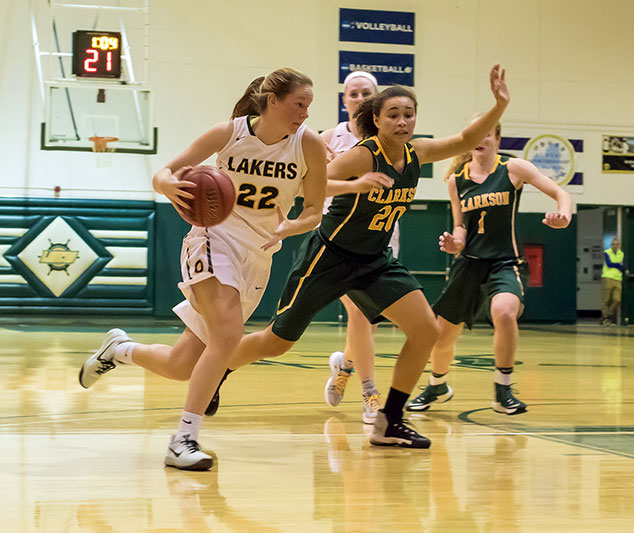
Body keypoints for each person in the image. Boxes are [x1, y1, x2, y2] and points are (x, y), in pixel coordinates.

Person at [214, 64, 511, 448]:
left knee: (426, 330)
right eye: (393, 115)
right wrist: (357, 186)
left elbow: (467, 138)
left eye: (408, 114)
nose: (402, 121)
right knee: (277, 340)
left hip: (374, 260)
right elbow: (310, 187)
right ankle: (218, 368)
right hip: (330, 255)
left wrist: (499, 103)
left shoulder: (418, 152)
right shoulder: (362, 156)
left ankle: (390, 420)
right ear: (376, 119)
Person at [77, 68, 327, 470]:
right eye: (299, 104)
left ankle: (119, 350)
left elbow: (314, 209)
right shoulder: (229, 133)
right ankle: (184, 439)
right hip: (212, 239)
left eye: (309, 106)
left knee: (181, 366)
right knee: (228, 337)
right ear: (273, 101)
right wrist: (168, 186)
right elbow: (166, 171)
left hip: (259, 253)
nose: (305, 113)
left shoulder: (308, 145)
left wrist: (295, 224)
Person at [405, 118, 572, 415]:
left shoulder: (512, 169)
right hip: (469, 263)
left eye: (486, 134)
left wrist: (564, 215)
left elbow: (562, 194)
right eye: (475, 134)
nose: (480, 139)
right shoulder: (457, 179)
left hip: (506, 261)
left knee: (504, 312)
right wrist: (455, 243)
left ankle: (502, 390)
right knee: (442, 335)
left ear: (497, 139)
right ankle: (437, 385)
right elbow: (460, 226)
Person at [319, 71, 386, 424]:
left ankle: (344, 366)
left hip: (381, 235)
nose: (359, 98)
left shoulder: (388, 138)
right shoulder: (330, 138)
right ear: (344, 100)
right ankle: (370, 393)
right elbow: (308, 181)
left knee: (368, 323)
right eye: (353, 93)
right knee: (360, 314)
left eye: (366, 93)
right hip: (340, 239)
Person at [601, 237, 624, 326]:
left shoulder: (621, 254)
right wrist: (618, 264)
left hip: (618, 278)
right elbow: (609, 264)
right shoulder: (607, 253)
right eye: (613, 244)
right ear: (611, 245)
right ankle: (606, 318)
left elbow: (622, 266)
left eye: (617, 244)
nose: (615, 246)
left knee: (617, 299)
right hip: (608, 277)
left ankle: (608, 314)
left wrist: (617, 265)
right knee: (606, 299)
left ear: (619, 245)